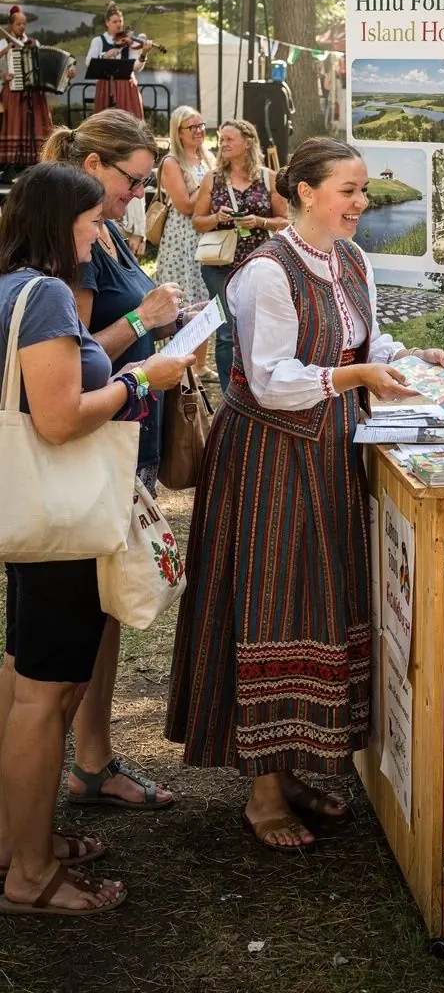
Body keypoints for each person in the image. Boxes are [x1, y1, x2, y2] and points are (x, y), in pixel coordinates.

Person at [166, 137, 444, 850]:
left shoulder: (351, 259)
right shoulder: (266, 271)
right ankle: (263, 792)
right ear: (303, 192)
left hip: (328, 450)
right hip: (266, 458)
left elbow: (364, 344)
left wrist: (406, 356)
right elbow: (270, 377)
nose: (361, 202)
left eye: (363, 190)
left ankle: (290, 769)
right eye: (348, 190)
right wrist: (351, 381)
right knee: (270, 606)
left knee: (319, 603)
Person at [0, 163, 191, 916]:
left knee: (25, 683)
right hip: (62, 519)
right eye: (88, 226)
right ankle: (30, 876)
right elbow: (59, 416)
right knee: (47, 698)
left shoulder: (12, 288)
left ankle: (20, 844)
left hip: (34, 515)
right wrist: (147, 380)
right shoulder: (44, 293)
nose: (96, 240)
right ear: (59, 221)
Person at [42, 110, 192, 810]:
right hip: (97, 440)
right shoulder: (73, 243)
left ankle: (92, 760)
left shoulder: (106, 230)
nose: (140, 192)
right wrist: (146, 321)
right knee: (82, 620)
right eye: (132, 181)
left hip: (125, 433)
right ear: (94, 168)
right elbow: (76, 351)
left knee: (103, 613)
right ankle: (81, 765)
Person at [192, 119, 289, 392]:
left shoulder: (269, 177)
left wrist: (260, 222)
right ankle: (229, 393)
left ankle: (256, 388)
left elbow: (285, 220)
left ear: (248, 142)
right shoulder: (212, 178)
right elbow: (197, 222)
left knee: (258, 329)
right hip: (220, 265)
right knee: (226, 332)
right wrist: (216, 217)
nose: (222, 144)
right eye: (221, 140)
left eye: (228, 140)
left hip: (258, 264)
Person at [155, 106, 216, 379]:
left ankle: (200, 365)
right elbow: (184, 205)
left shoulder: (207, 158)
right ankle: (179, 365)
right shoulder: (172, 162)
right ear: (178, 133)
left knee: (202, 300)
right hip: (182, 239)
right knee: (183, 301)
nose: (199, 131)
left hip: (205, 236)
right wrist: (208, 190)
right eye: (192, 127)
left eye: (201, 125)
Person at [0, 6, 53, 169]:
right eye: (18, 24)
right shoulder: (3, 43)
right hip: (13, 90)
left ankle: (36, 161)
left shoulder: (33, 43)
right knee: (15, 123)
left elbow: (42, 63)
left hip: (33, 92)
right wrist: (3, 75)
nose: (22, 27)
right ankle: (11, 163)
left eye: (24, 24)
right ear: (10, 25)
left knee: (35, 123)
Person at [85, 2, 149, 119]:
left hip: (127, 87)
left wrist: (143, 53)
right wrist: (105, 55)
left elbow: (135, 67)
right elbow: (89, 62)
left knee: (129, 122)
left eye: (120, 21)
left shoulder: (128, 41)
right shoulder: (98, 41)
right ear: (107, 23)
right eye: (115, 22)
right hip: (106, 85)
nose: (119, 24)